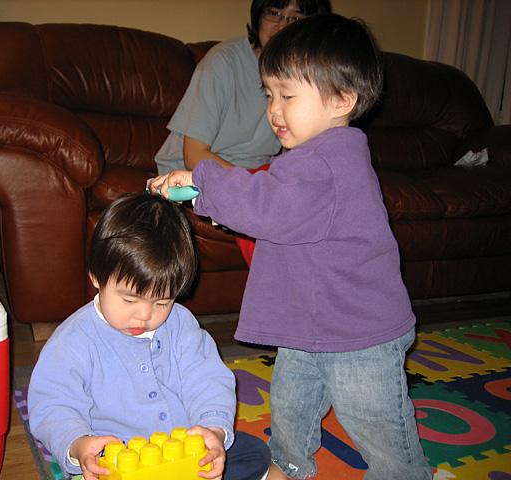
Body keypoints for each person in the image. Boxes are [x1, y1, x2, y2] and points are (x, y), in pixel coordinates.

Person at [150, 14, 433, 480]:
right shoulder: (307, 158)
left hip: (360, 334)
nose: (273, 110)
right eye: (269, 94)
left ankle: (403, 474)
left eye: (287, 95)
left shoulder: (327, 163)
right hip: (312, 322)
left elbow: (268, 207)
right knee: (291, 401)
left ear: (343, 99)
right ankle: (287, 462)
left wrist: (205, 179)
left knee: (376, 423)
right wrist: (209, 194)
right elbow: (272, 209)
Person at [27, 193, 277, 480]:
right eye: (130, 300)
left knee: (255, 453)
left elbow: (207, 379)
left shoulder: (181, 325)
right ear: (96, 276)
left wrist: (214, 431)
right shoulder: (72, 342)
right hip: (120, 464)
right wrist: (79, 444)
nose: (145, 316)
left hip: (184, 455)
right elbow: (52, 405)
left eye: (162, 302)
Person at [155, 0, 332, 175]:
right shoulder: (222, 62)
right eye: (274, 13)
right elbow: (193, 156)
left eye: (295, 19)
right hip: (191, 177)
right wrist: (252, 186)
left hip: (253, 177)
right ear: (259, 16)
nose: (281, 27)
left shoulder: (307, 76)